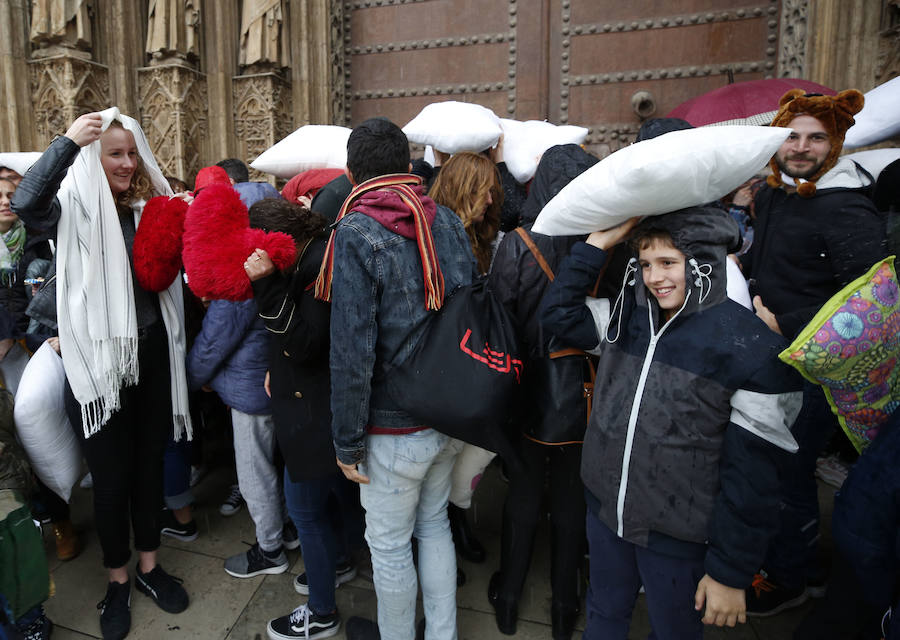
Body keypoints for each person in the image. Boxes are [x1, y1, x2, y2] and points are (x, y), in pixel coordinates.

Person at [541, 207, 802, 639]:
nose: (654, 277)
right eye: (645, 264)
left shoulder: (751, 348)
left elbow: (754, 477)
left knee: (673, 630)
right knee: (604, 613)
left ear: (703, 264)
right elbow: (558, 314)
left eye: (668, 262)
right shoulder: (625, 320)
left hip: (678, 534)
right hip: (607, 513)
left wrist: (729, 571)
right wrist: (595, 246)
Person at [11, 109, 192, 639]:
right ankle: (117, 580)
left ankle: (150, 567)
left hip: (154, 355)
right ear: (94, 156)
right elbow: (26, 203)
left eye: (133, 153)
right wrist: (68, 141)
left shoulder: (147, 209)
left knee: (148, 472)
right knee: (110, 482)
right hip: (97, 364)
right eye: (115, 153)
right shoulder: (72, 209)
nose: (127, 164)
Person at [318, 117, 477, 640]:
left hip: (393, 429)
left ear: (350, 174)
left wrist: (346, 441)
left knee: (388, 546)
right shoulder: (447, 221)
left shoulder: (358, 231)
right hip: (449, 413)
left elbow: (352, 350)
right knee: (433, 526)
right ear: (407, 167)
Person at [741, 89, 888, 616]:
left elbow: (872, 299)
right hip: (778, 351)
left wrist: (789, 321)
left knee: (790, 465)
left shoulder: (844, 205)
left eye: (815, 138)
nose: (801, 147)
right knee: (776, 460)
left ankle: (791, 578)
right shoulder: (779, 192)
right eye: (793, 136)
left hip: (816, 362)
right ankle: (797, 557)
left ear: (835, 144)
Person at [486, 144, 598, 639]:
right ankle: (564, 608)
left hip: (529, 388)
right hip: (587, 390)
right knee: (573, 498)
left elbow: (498, 321)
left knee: (525, 492)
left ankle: (509, 598)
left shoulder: (518, 244)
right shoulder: (606, 242)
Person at [244, 197, 365, 640]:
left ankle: (321, 611)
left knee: (305, 511)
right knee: (332, 493)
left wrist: (266, 284)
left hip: (314, 407)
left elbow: (306, 342)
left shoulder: (316, 266)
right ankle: (337, 561)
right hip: (317, 400)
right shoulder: (318, 248)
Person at [184, 188, 298, 581]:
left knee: (255, 473)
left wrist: (191, 380)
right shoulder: (273, 259)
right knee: (276, 465)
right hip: (273, 381)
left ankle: (269, 549)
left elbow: (215, 341)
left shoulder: (240, 269)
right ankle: (286, 529)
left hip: (250, 393)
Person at [428, 151, 503, 573]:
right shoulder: (436, 234)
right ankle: (444, 537)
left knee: (474, 450)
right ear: (461, 188)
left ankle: (455, 520)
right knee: (444, 457)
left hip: (474, 361)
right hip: (447, 365)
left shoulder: (482, 238)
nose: (491, 200)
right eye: (483, 190)